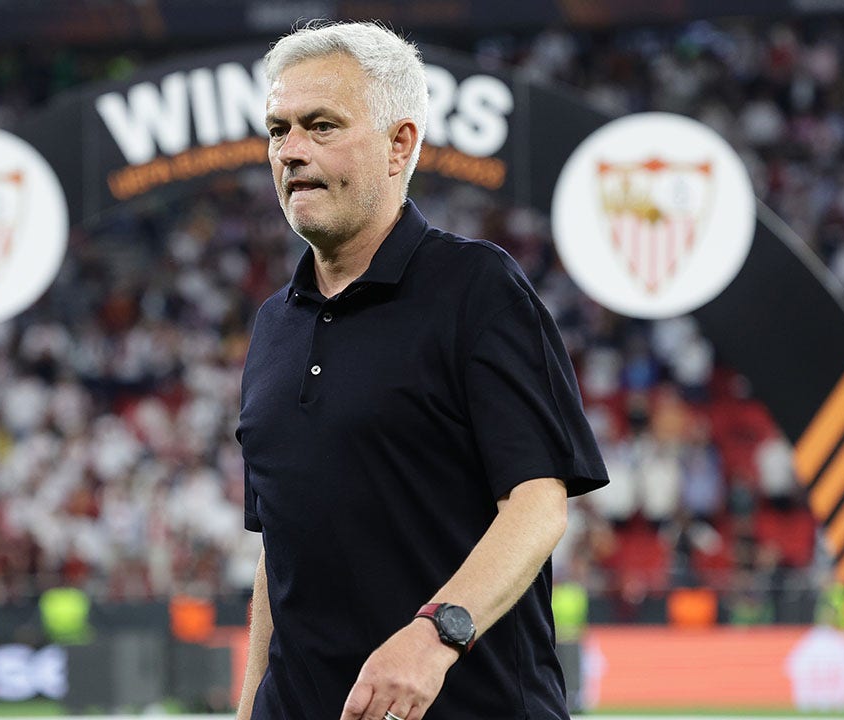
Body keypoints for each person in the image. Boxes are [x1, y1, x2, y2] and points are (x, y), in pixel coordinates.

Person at [235, 20, 608, 720]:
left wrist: (437, 635)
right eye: (278, 130)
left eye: (321, 126)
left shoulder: (478, 289)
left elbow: (537, 504)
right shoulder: (272, 326)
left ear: (399, 144)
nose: (291, 150)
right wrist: (252, 706)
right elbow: (278, 554)